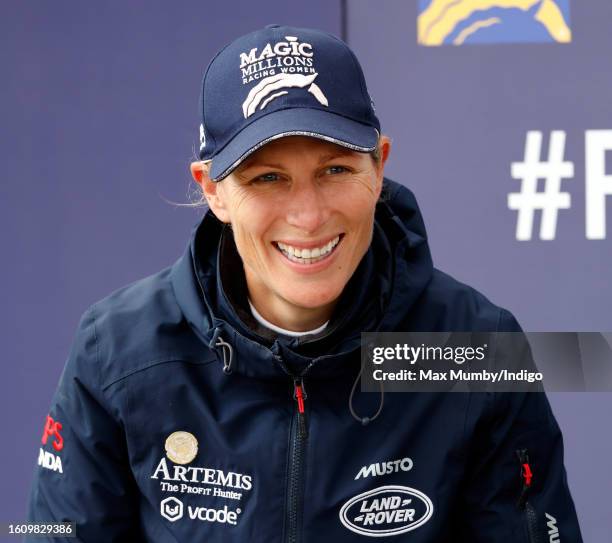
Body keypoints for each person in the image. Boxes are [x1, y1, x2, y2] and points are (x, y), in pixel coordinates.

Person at [27, 24, 582, 542]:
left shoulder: (472, 349)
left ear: (379, 166)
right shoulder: (119, 352)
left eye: (335, 170)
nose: (308, 216)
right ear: (213, 189)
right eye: (268, 178)